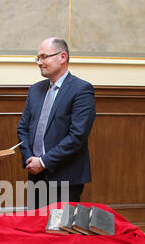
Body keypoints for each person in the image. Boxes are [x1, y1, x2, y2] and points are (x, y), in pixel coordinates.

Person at [17, 37, 96, 208]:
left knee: (60, 232)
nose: (39, 62)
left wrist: (43, 162)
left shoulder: (81, 90)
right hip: (35, 176)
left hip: (65, 178)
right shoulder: (35, 89)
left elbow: (77, 136)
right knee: (36, 229)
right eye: (38, 58)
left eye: (44, 57)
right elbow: (22, 128)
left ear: (62, 57)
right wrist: (30, 158)